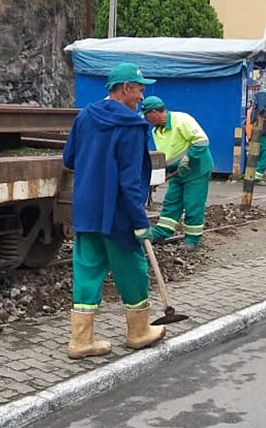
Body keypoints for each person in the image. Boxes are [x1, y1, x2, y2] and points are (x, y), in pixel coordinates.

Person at [62, 62, 166, 359]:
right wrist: (139, 220)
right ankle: (138, 332)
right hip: (118, 213)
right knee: (132, 269)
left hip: (87, 209)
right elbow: (129, 180)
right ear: (125, 88)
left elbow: (69, 158)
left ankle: (81, 340)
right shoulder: (132, 125)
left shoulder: (85, 116)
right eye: (139, 89)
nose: (142, 97)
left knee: (87, 270)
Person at [142, 96, 214, 248]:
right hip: (177, 172)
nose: (147, 120)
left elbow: (202, 141)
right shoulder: (156, 131)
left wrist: (187, 158)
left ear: (154, 113)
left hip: (196, 170)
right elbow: (167, 154)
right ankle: (161, 232)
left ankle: (192, 240)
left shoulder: (181, 119)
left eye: (147, 116)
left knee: (192, 204)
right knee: (171, 202)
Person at [244, 88, 266, 184]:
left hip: (256, 136)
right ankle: (257, 177)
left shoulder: (254, 108)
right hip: (261, 136)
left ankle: (253, 176)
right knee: (265, 154)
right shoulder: (263, 109)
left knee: (257, 156)